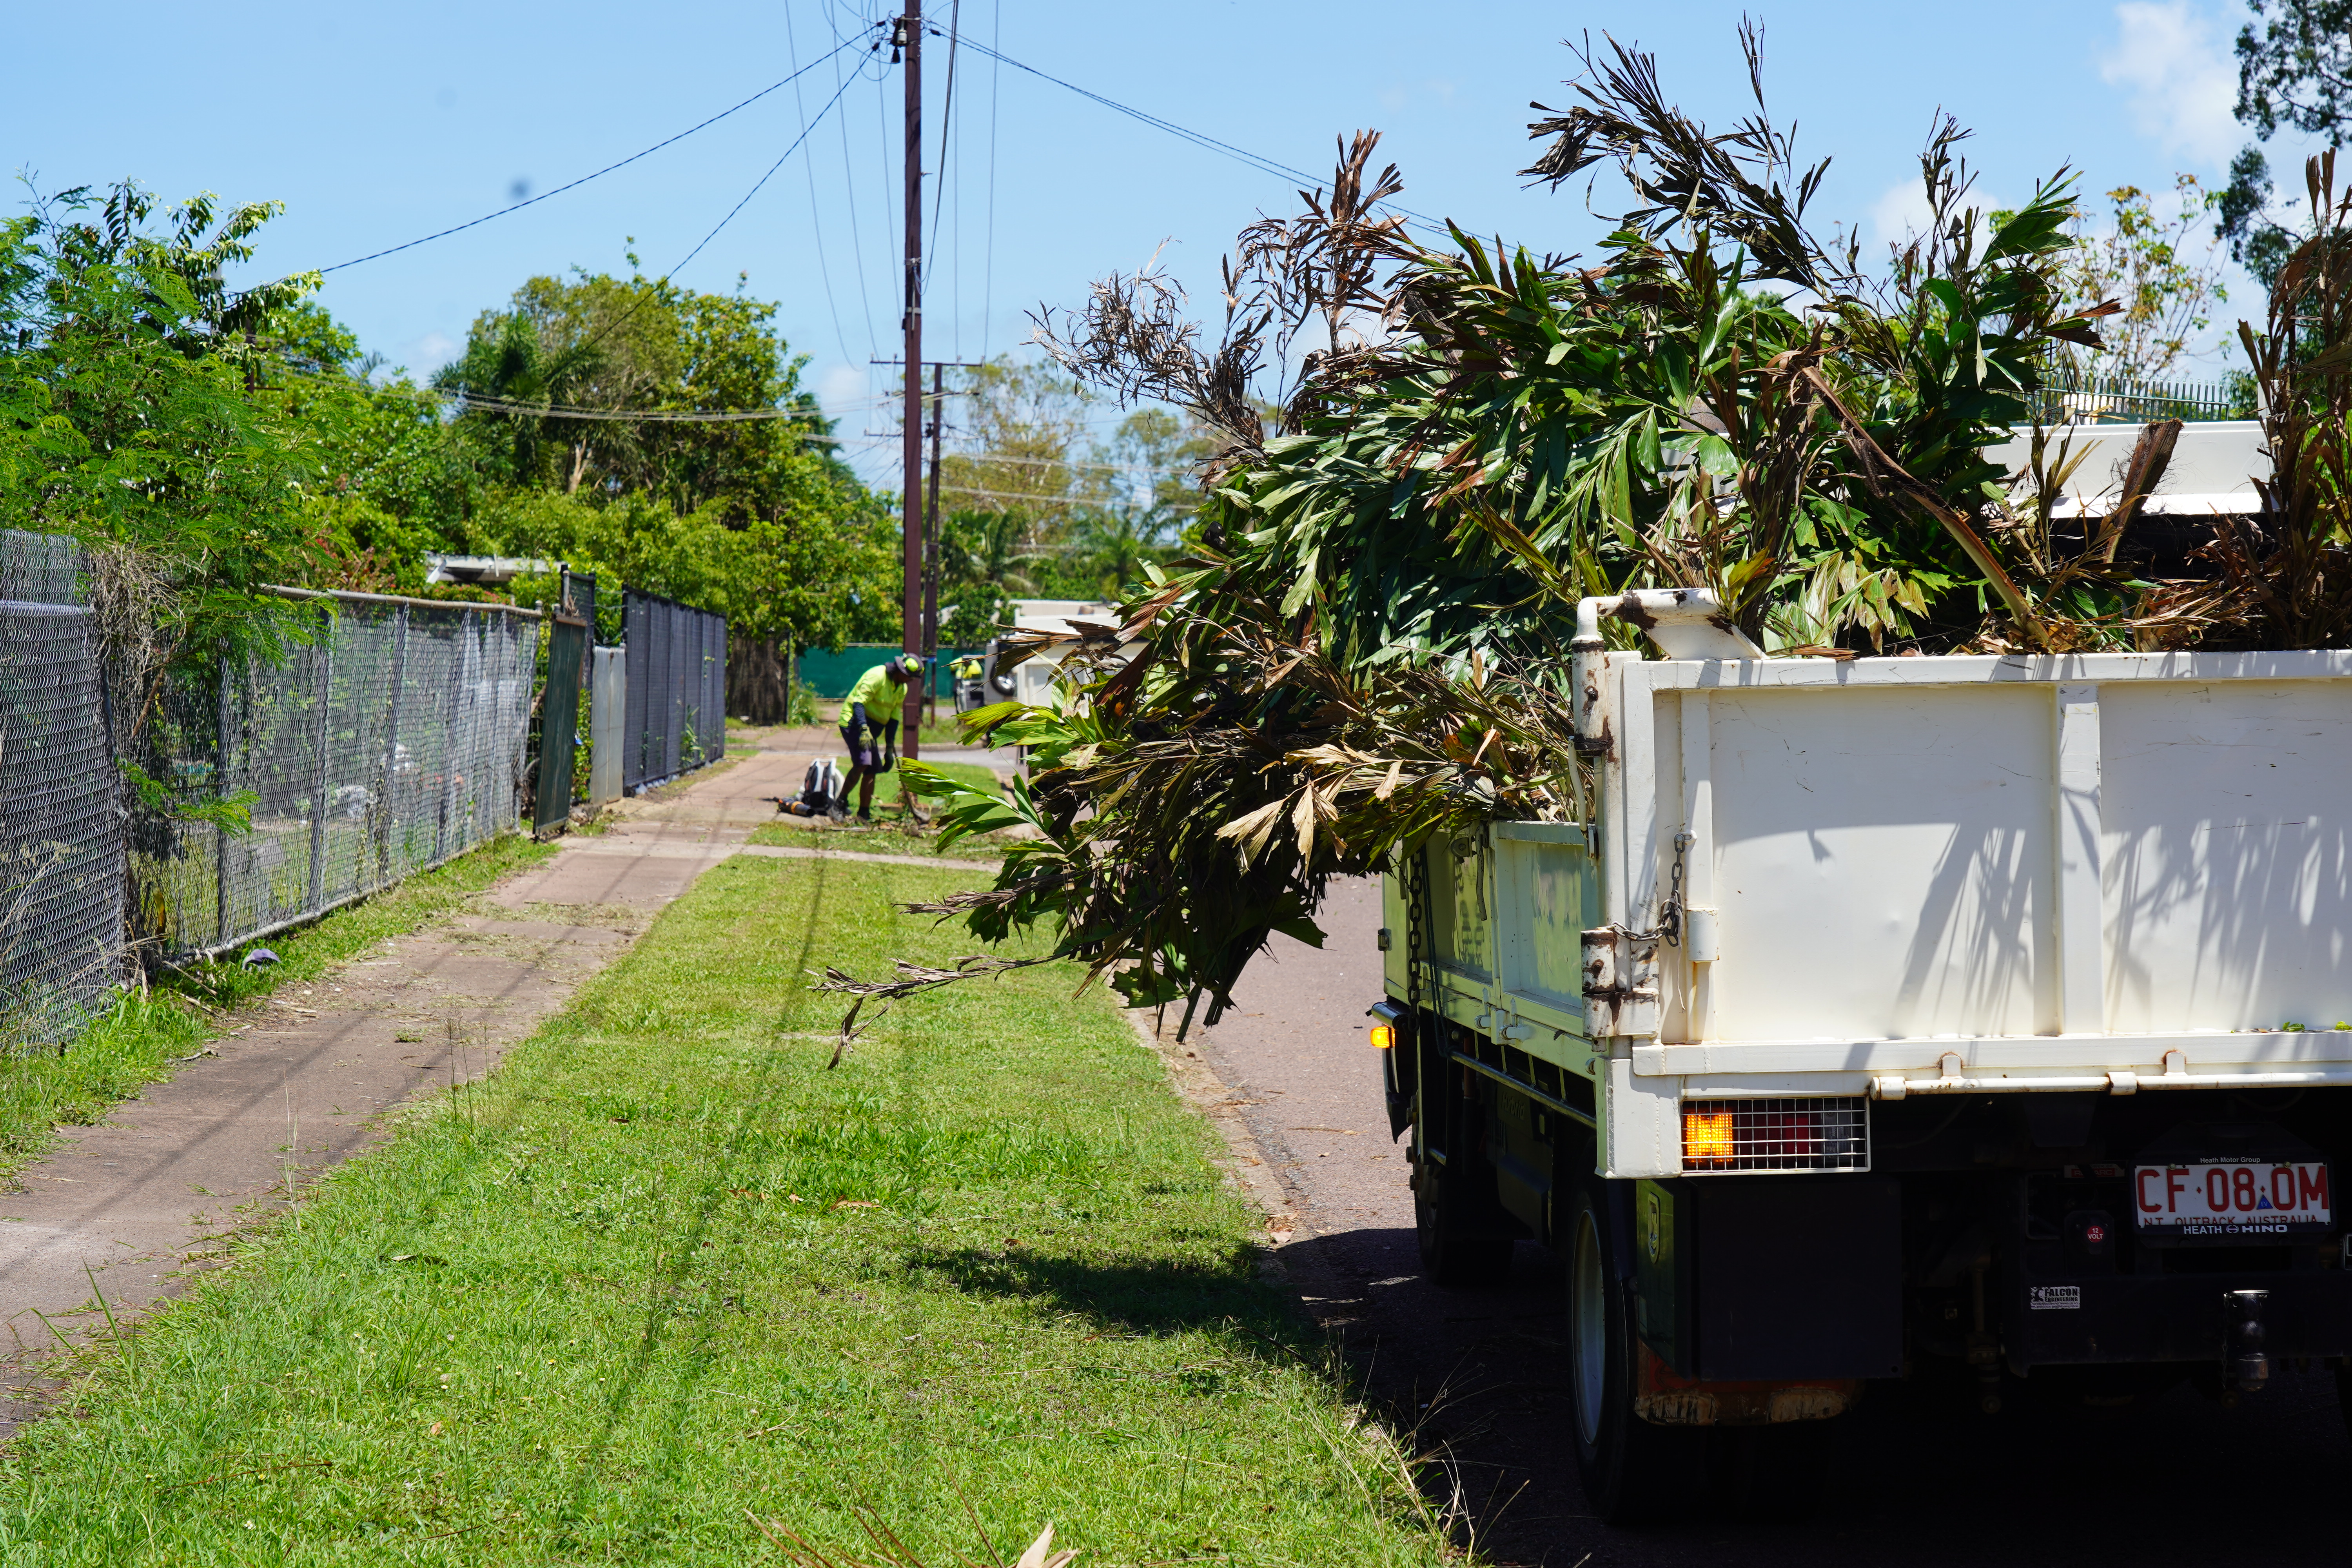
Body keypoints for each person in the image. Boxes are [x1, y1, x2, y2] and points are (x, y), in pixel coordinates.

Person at [837, 653, 923, 824]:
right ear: (901, 672)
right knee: (863, 763)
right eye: (910, 677)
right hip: (854, 723)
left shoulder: (901, 689)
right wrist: (863, 728)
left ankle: (864, 813)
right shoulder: (877, 676)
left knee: (872, 769)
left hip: (871, 731)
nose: (910, 681)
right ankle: (839, 804)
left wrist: (890, 748)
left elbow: (893, 719)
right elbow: (859, 703)